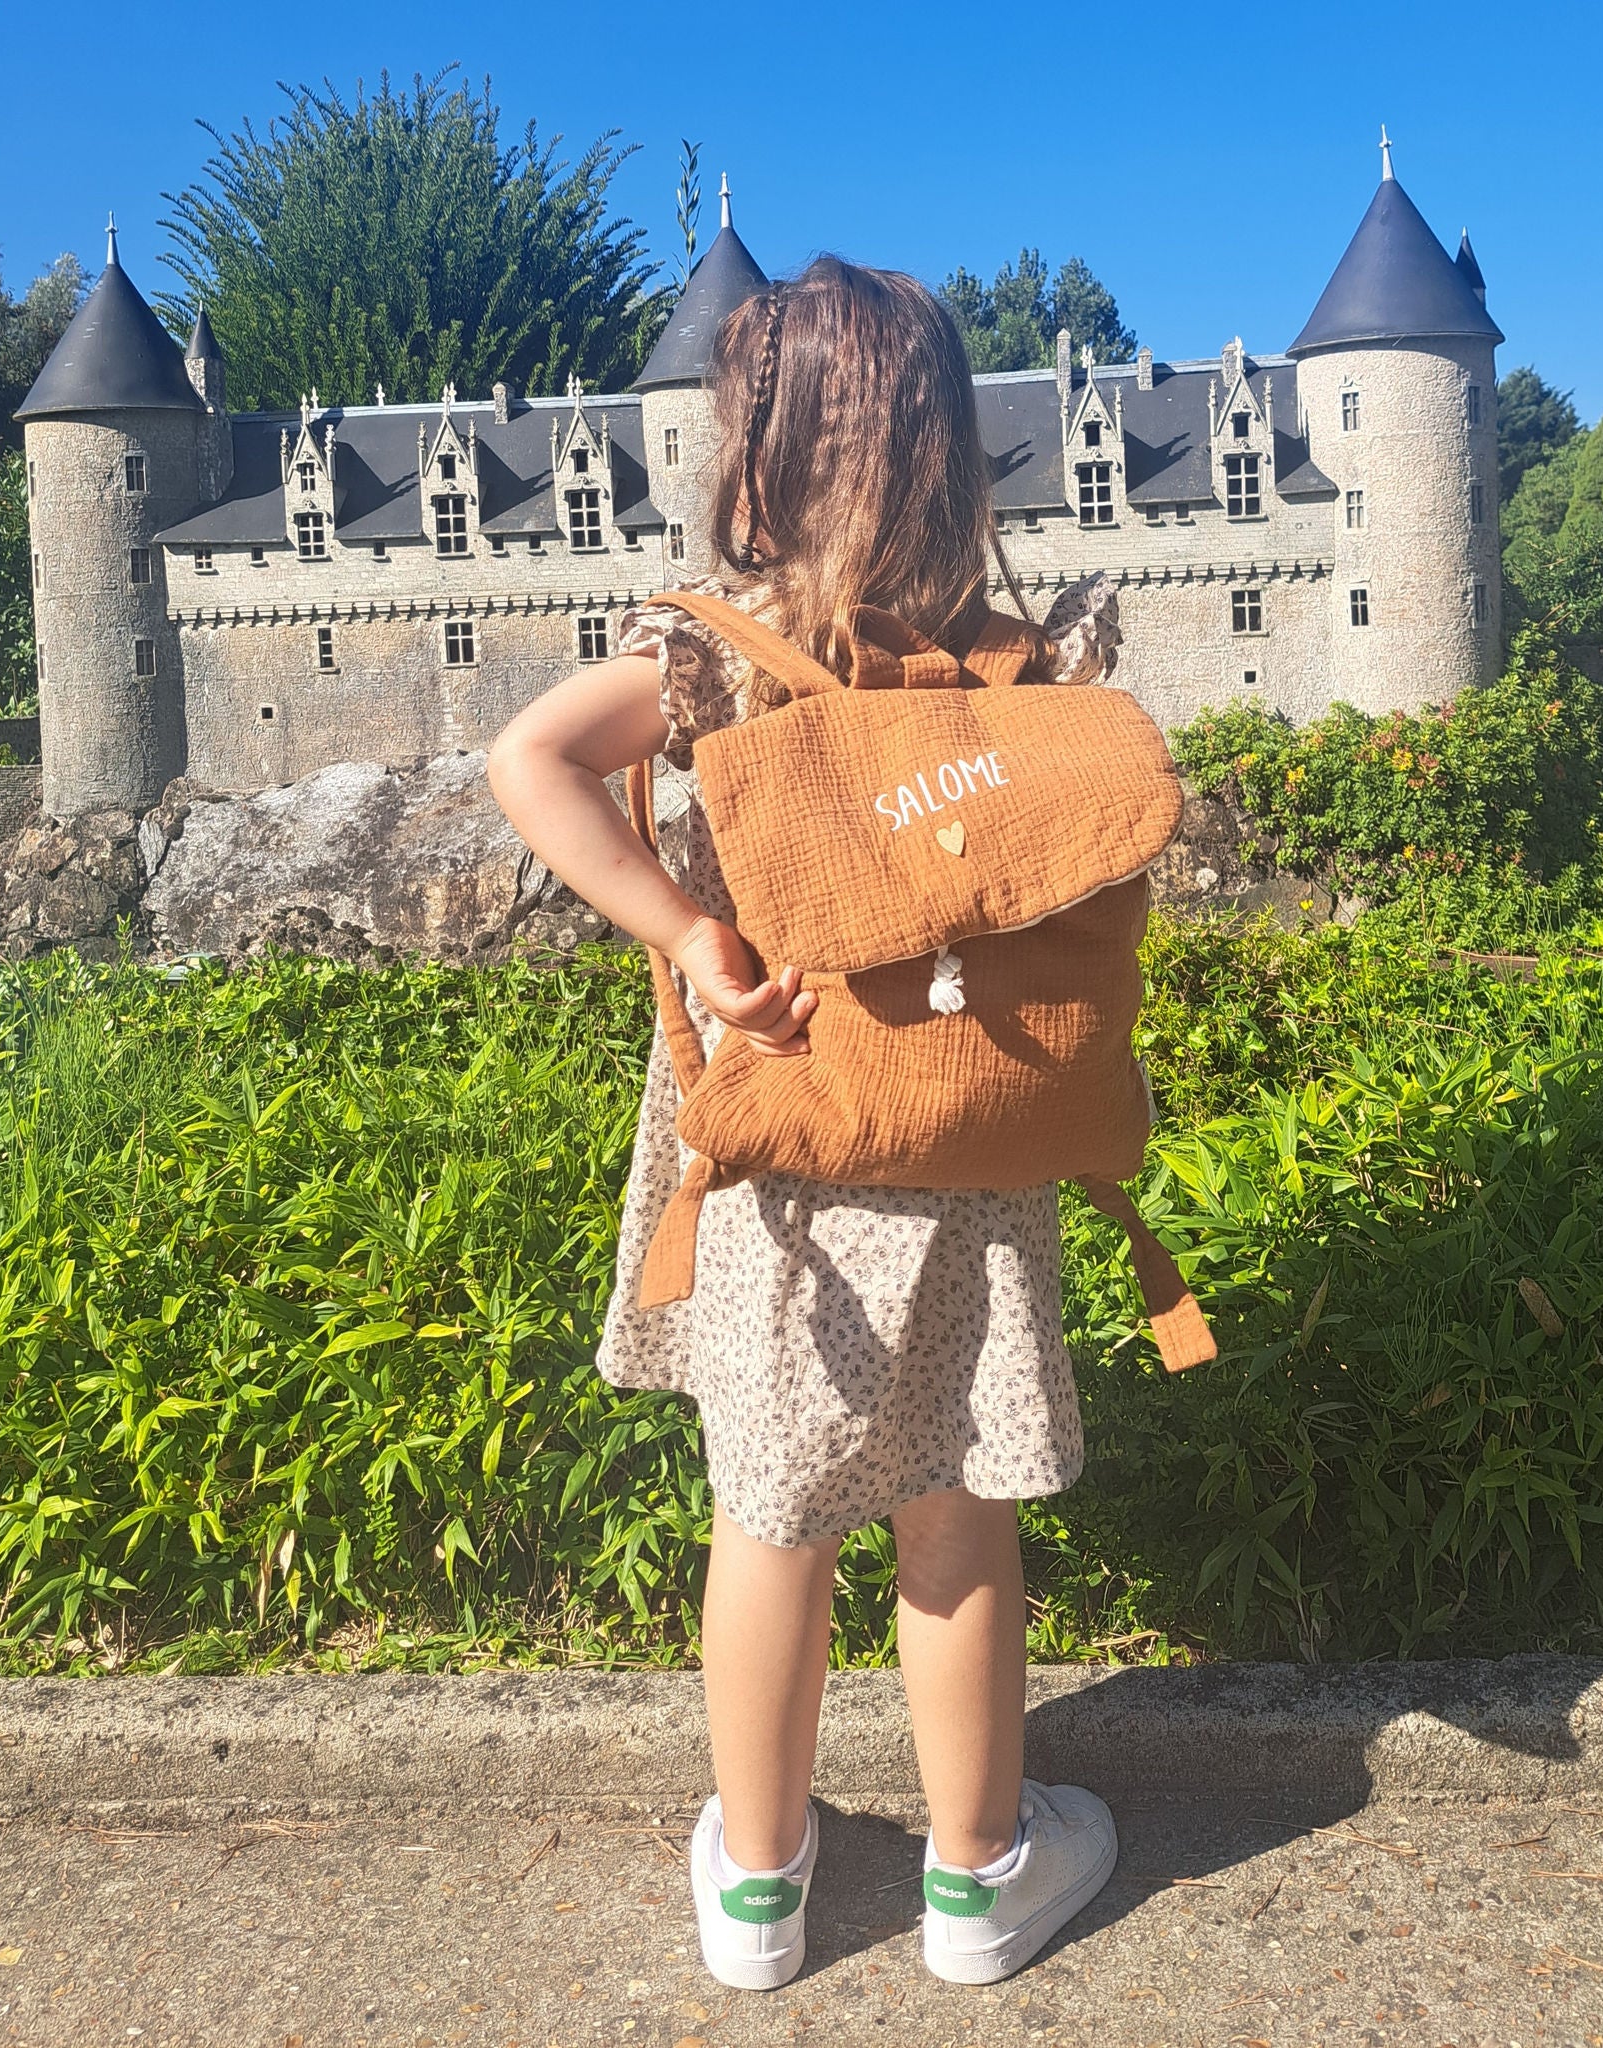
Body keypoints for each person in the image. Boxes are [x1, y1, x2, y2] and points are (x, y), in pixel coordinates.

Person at [488, 256, 1127, 1993]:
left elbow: (530, 759)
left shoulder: (718, 654)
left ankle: (760, 1895)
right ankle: (982, 1877)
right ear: (947, 448)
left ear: (754, 442)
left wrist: (698, 939)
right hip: (967, 1128)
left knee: (766, 1513)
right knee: (955, 1508)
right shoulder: (1026, 656)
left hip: (777, 1135)